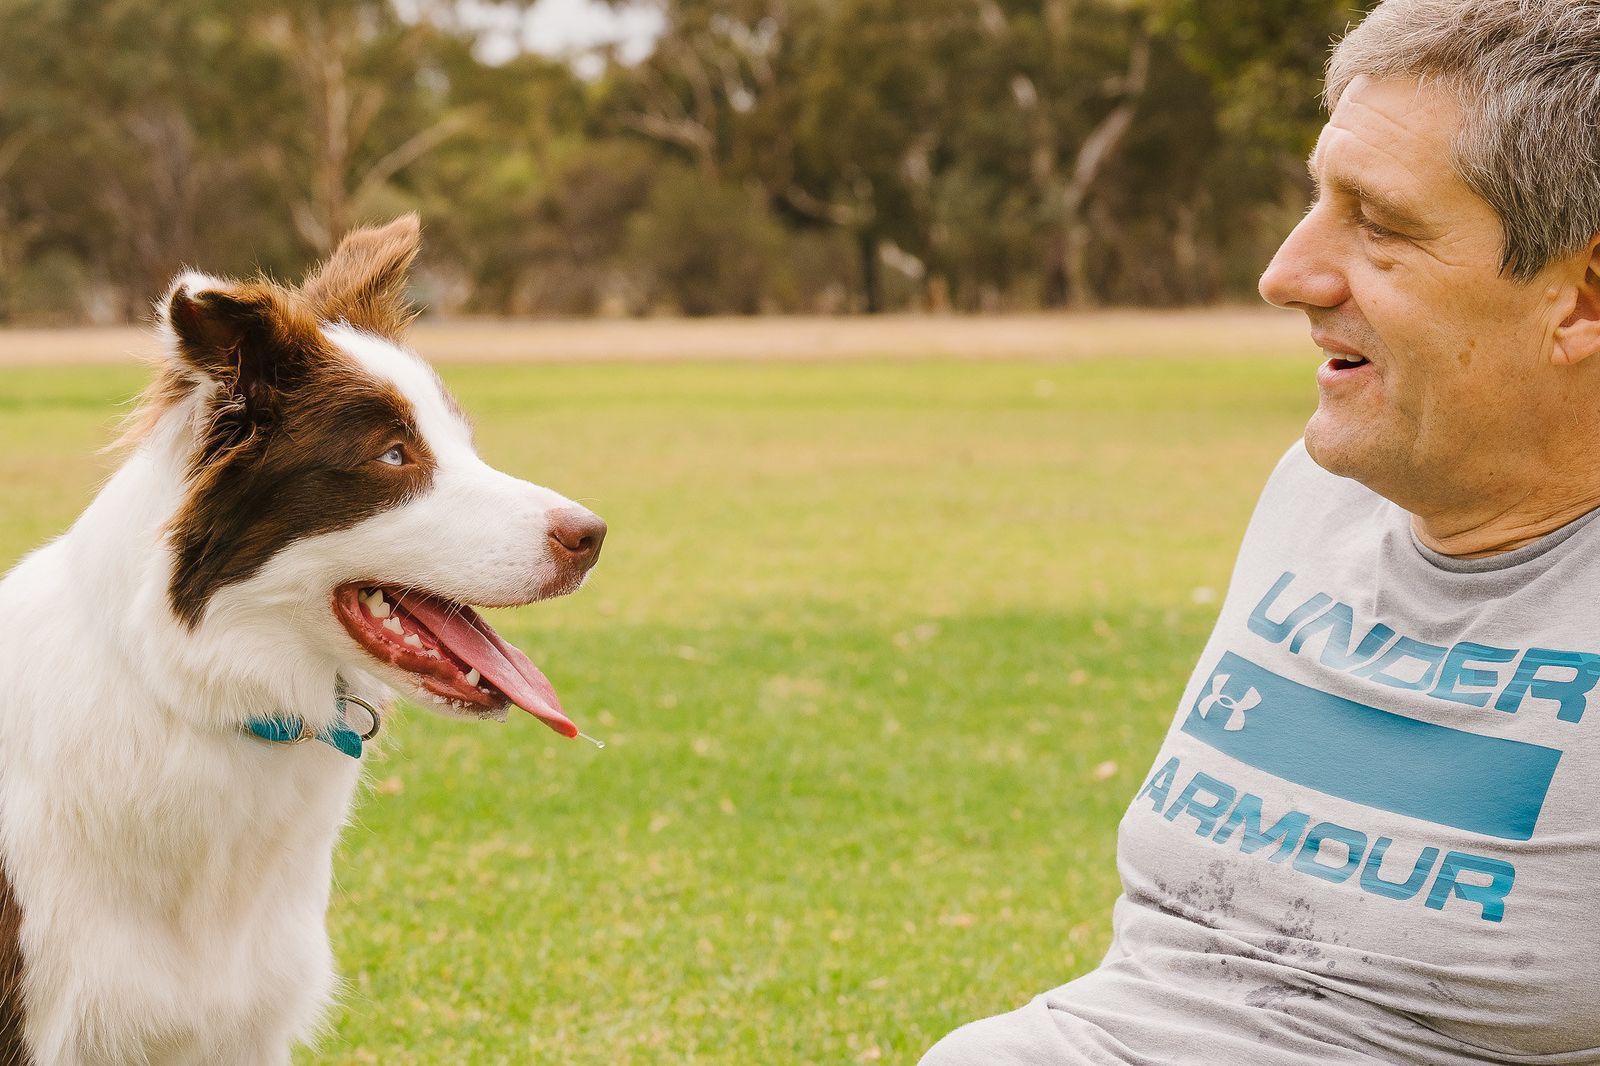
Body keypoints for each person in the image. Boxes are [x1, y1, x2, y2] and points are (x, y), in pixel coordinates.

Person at [920, 1, 1600, 1062]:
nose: (1287, 274)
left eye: (1378, 224)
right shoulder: (1320, 493)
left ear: (1581, 297)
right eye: (1315, 203)